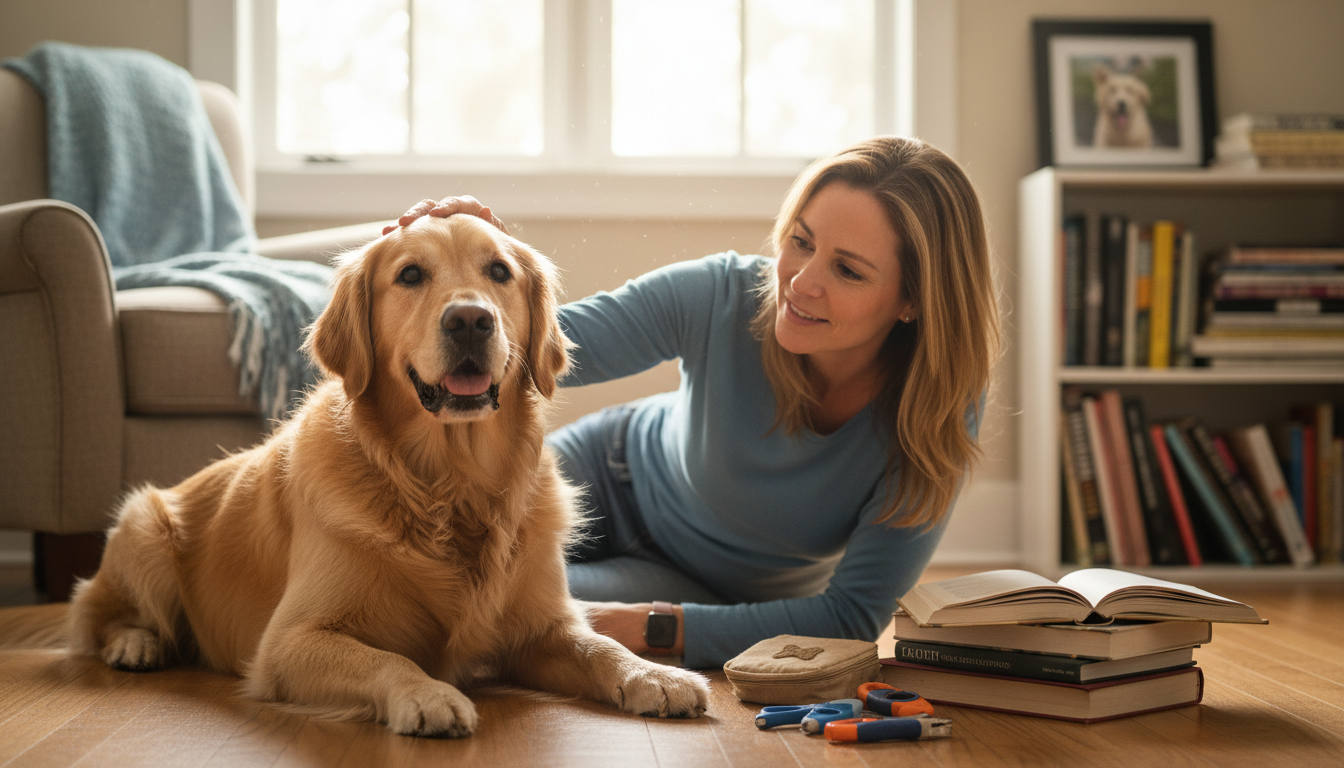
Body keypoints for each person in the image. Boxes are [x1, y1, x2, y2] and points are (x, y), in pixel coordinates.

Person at [386, 136, 1001, 669]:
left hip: (697, 585)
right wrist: (482, 265)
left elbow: (849, 620)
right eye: (801, 241)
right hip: (606, 465)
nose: (801, 281)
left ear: (913, 301)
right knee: (414, 565)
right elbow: (539, 349)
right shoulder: (722, 294)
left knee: (486, 603)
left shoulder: (934, 410)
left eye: (848, 271)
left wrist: (652, 628)